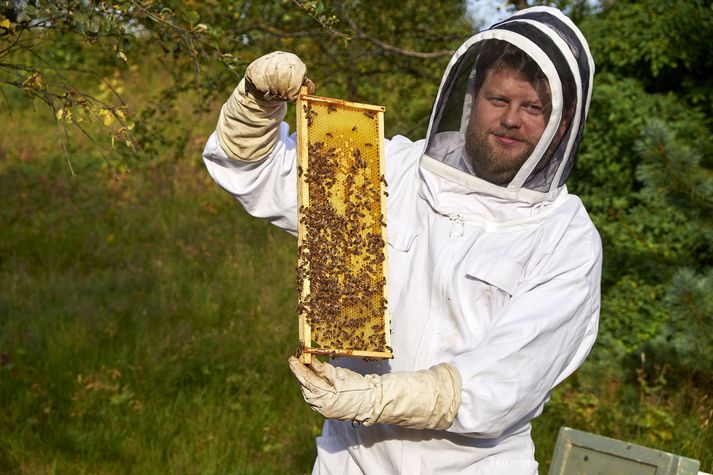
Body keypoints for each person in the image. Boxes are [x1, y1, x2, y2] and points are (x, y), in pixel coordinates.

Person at [202, 6, 600, 474]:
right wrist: (255, 105)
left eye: (533, 107)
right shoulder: (390, 169)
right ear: (471, 98)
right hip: (349, 460)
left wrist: (375, 397)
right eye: (499, 99)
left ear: (562, 120)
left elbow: (504, 383)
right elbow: (258, 174)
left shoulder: (567, 240)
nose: (512, 119)